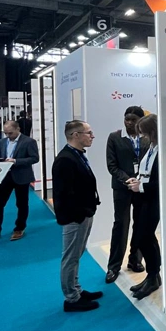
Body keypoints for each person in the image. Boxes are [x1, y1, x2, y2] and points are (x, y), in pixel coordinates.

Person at [52, 120, 102, 312]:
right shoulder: (65, 159)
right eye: (88, 133)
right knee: (70, 257)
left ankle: (76, 289)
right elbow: (64, 194)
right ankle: (71, 299)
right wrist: (79, 214)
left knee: (76, 255)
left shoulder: (76, 155)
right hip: (75, 217)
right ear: (75, 135)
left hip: (83, 213)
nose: (92, 136)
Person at [105, 105, 148, 283]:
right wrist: (127, 180)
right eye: (126, 119)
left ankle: (135, 260)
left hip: (142, 188)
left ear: (140, 121)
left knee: (140, 224)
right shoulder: (114, 137)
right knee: (121, 225)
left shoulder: (147, 138)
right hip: (122, 188)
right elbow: (111, 165)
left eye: (133, 119)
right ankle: (113, 266)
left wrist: (140, 181)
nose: (129, 122)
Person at [127, 114, 161, 299]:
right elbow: (146, 171)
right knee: (143, 238)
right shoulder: (151, 147)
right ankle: (153, 276)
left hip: (153, 200)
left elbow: (162, 181)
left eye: (145, 133)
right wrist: (137, 180)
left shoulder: (162, 150)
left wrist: (141, 187)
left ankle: (153, 275)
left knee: (145, 237)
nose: (142, 137)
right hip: (142, 198)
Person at [0, 119, 39, 241]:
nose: (8, 135)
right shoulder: (2, 142)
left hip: (22, 176)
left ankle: (19, 228)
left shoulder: (29, 142)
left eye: (10, 133)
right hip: (5, 176)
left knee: (22, 204)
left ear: (18, 129)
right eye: (5, 133)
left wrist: (16, 161)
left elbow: (34, 158)